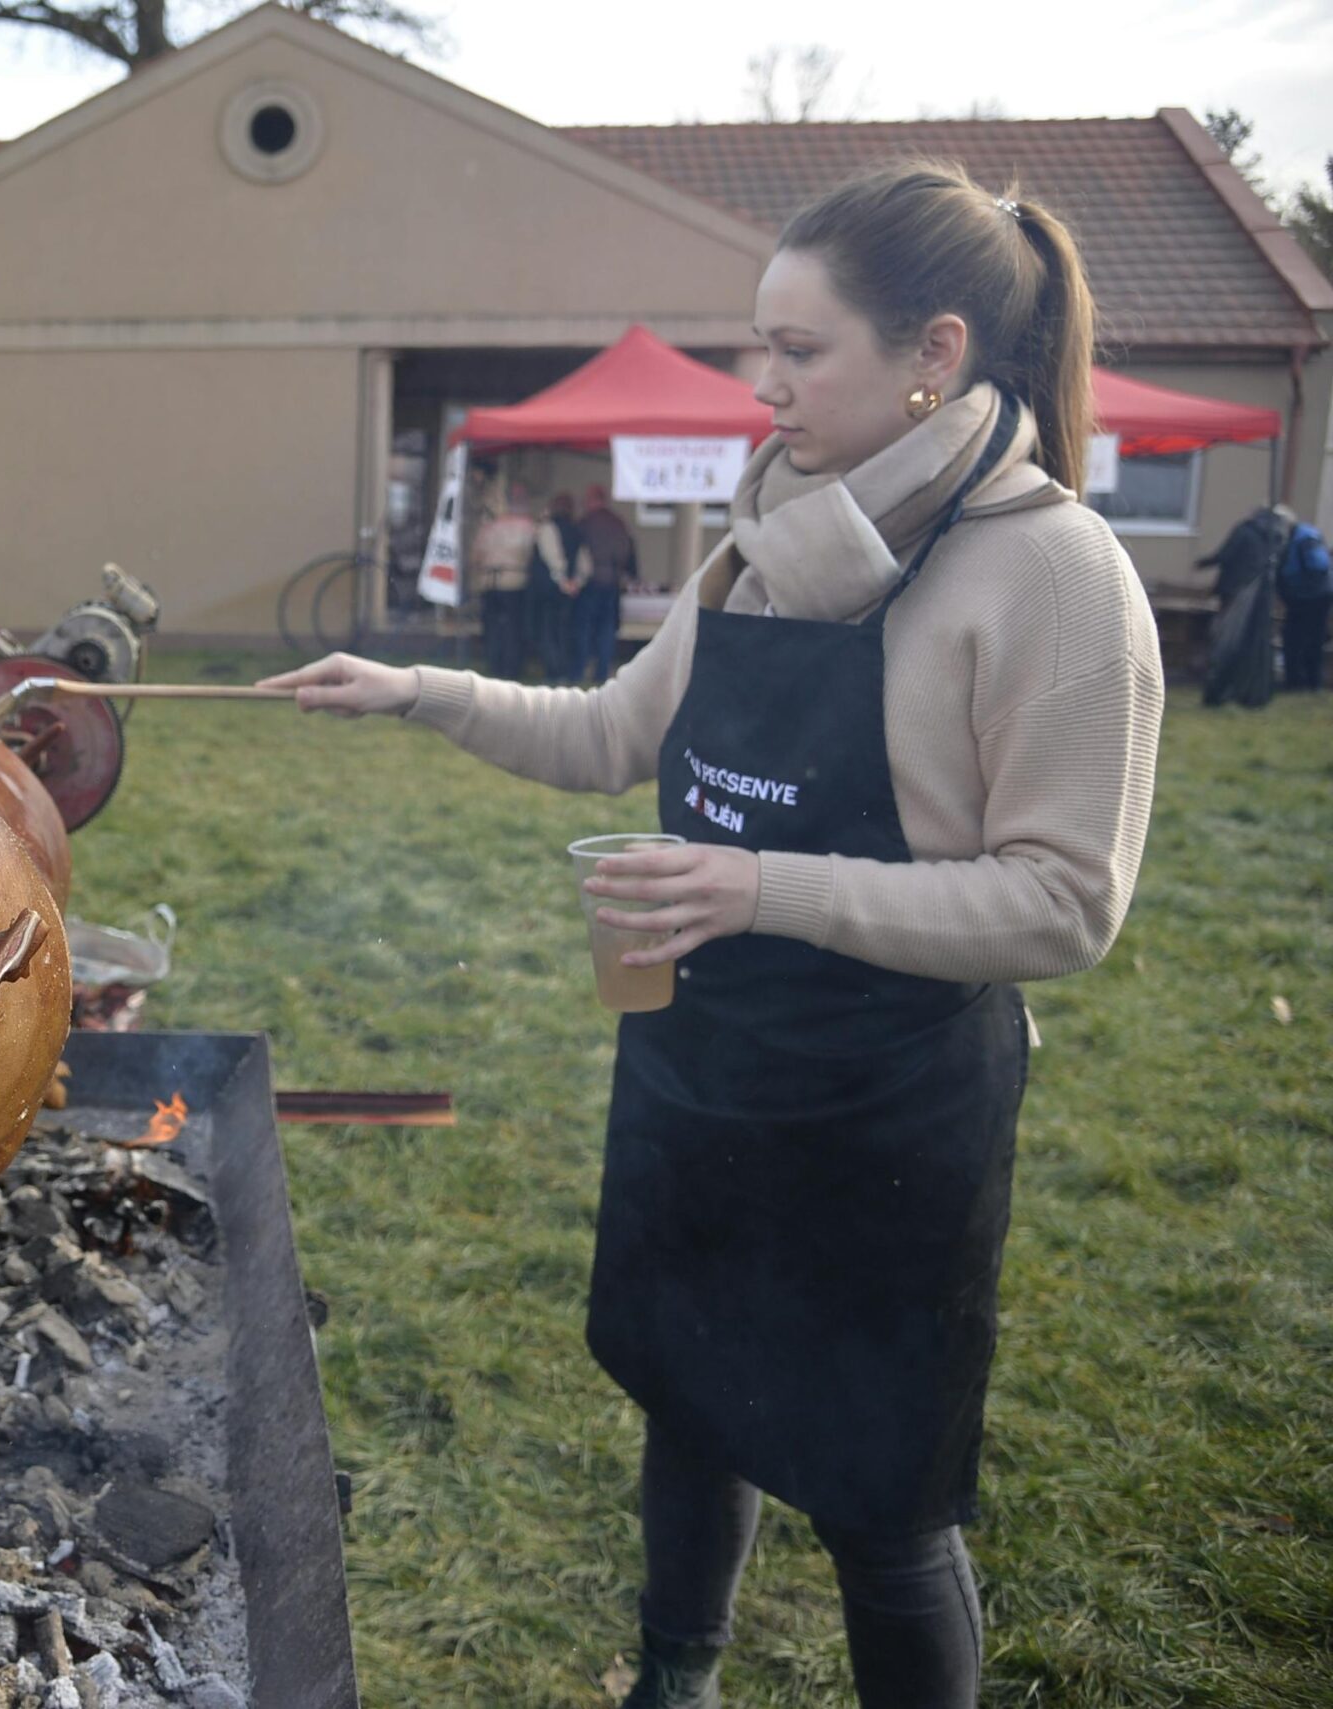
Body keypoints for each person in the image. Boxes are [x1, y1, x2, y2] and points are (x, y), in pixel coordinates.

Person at [262, 161, 1162, 1709]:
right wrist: (418, 690)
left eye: (800, 351)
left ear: (932, 354)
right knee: (694, 1404)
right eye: (765, 347)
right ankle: (672, 1683)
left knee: (886, 1504)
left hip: (891, 1108)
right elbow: (612, 732)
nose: (766, 386)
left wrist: (764, 888)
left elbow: (1063, 901)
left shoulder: (1054, 572)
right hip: (703, 1068)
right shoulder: (763, 539)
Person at [1195, 502, 1290, 708]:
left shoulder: (1245, 530)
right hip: (1258, 597)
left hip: (1234, 591)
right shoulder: (1276, 537)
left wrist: (1202, 563)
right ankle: (1243, 687)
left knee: (1223, 637)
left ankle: (1217, 685)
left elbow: (1226, 555)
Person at [472, 477, 539, 679]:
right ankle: (511, 667)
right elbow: (532, 556)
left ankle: (495, 665)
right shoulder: (529, 527)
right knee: (514, 628)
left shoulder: (490, 526)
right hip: (515, 581)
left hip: (490, 580)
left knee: (493, 627)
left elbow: (476, 555)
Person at [575, 484, 636, 685]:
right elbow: (627, 550)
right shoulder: (618, 523)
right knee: (607, 629)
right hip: (613, 581)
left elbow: (577, 551)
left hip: (591, 581)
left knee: (584, 628)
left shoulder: (586, 523)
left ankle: (580, 669)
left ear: (593, 500)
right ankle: (602, 671)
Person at [527, 491, 588, 682]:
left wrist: (562, 580)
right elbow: (584, 562)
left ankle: (555, 671)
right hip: (567, 589)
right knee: (563, 631)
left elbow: (552, 555)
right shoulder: (577, 530)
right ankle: (562, 670)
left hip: (549, 588)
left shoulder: (548, 528)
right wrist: (576, 581)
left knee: (547, 631)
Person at [1273, 513, 1329, 691]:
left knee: (1298, 639)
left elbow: (1319, 567)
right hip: (1311, 597)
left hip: (1310, 597)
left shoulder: (1304, 538)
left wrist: (1300, 592)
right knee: (1308, 639)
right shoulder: (1302, 536)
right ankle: (1308, 683)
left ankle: (1300, 683)